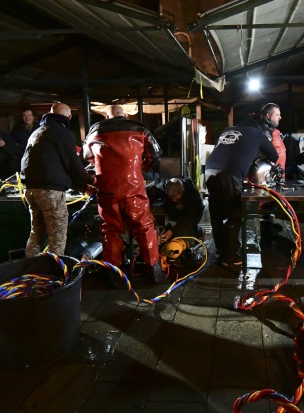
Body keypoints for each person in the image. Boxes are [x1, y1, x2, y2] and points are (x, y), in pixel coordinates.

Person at [82, 105, 166, 283]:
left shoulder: (93, 133)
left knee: (110, 229)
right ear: (125, 115)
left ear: (107, 117)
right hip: (133, 186)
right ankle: (154, 270)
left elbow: (87, 157)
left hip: (106, 189)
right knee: (143, 226)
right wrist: (140, 169)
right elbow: (156, 154)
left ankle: (113, 273)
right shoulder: (139, 129)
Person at [204, 116, 278, 269]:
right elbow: (274, 156)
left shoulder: (227, 130)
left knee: (217, 212)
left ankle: (220, 249)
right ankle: (230, 257)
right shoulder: (257, 133)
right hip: (229, 175)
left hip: (209, 171)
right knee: (235, 214)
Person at [21, 103, 94, 257]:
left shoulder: (38, 132)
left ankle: (30, 270)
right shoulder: (62, 132)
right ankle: (54, 275)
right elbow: (72, 164)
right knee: (57, 238)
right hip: (50, 194)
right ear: (69, 117)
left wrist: (83, 188)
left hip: (30, 191)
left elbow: (55, 168)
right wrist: (91, 180)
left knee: (36, 233)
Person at [148, 176, 204, 242]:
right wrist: (147, 210)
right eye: (171, 198)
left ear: (182, 191)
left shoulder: (192, 193)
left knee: (184, 235)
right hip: (172, 209)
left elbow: (191, 217)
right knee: (154, 210)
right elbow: (147, 195)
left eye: (176, 198)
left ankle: (198, 231)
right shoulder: (162, 187)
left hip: (191, 214)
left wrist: (173, 231)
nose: (174, 200)